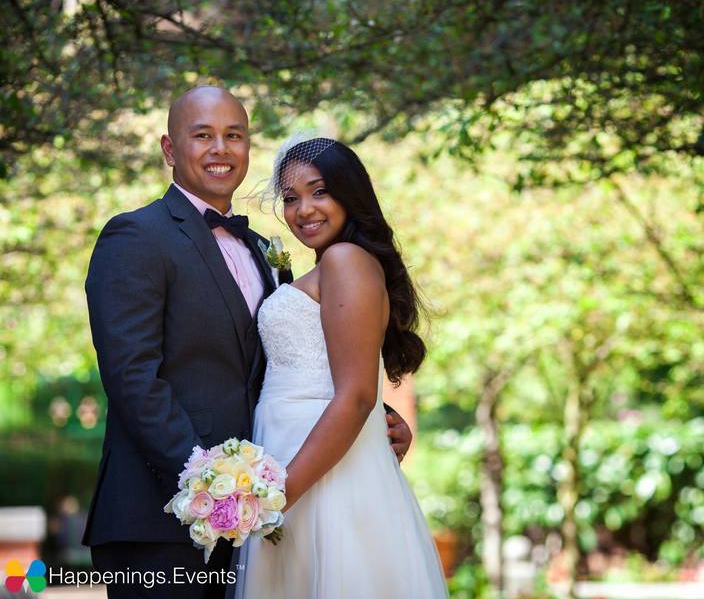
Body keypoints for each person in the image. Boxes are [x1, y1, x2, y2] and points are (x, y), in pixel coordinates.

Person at [84, 87, 412, 599]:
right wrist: (212, 489)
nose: (220, 149)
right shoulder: (135, 237)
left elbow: (288, 362)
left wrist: (376, 422)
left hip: (257, 520)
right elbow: (132, 378)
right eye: (203, 136)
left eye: (233, 136)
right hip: (160, 518)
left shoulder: (265, 251)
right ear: (170, 150)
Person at [234, 136, 447, 598]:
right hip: (297, 452)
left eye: (320, 191)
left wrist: (279, 496)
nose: (303, 209)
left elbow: (354, 396)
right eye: (291, 198)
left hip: (321, 473)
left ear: (351, 194)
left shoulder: (345, 260)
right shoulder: (332, 264)